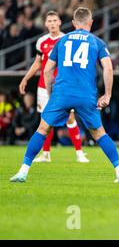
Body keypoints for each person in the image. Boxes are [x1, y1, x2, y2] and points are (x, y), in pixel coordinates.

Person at [10, 7, 119, 183]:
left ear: (73, 23)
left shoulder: (62, 40)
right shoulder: (97, 42)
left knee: (42, 129)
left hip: (62, 93)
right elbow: (108, 68)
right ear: (91, 22)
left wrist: (51, 93)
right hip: (85, 95)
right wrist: (107, 95)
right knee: (99, 134)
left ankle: (22, 172)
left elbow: (48, 69)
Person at [18, 10, 89, 163]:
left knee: (70, 117)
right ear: (45, 24)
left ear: (59, 22)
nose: (51, 24)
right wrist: (26, 78)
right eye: (49, 21)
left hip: (62, 87)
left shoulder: (66, 39)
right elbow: (38, 63)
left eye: (54, 20)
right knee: (46, 119)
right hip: (43, 87)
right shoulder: (41, 41)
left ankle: (79, 152)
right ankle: (46, 154)